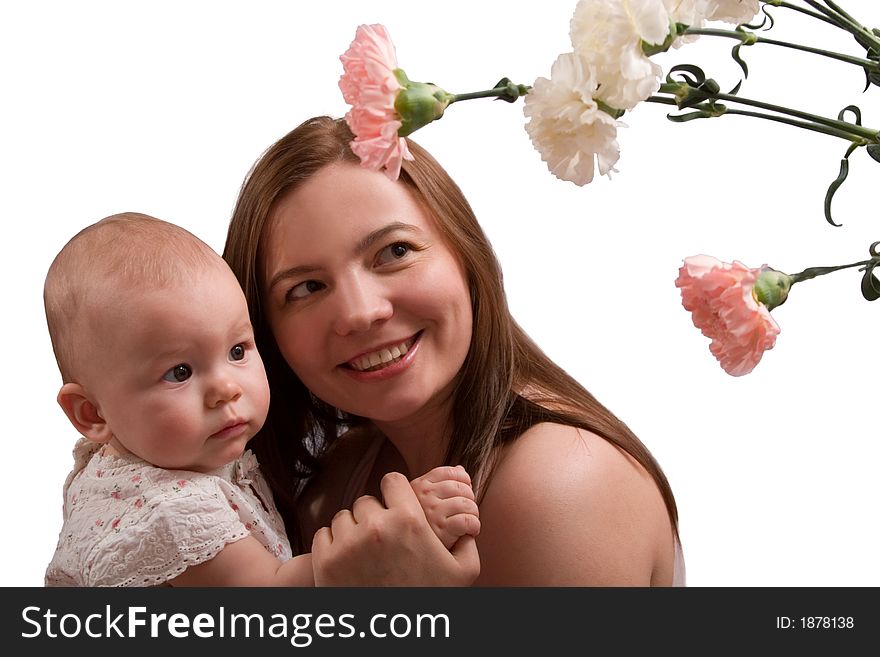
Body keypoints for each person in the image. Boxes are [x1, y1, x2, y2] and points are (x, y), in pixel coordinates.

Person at [223, 116, 685, 586]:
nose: (360, 313)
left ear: (465, 253)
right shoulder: (340, 476)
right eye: (306, 287)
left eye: (395, 251)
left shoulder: (559, 482)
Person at [43, 212, 480, 587]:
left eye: (237, 352)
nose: (226, 389)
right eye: (179, 372)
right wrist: (402, 527)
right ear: (92, 413)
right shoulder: (170, 514)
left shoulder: (148, 454)